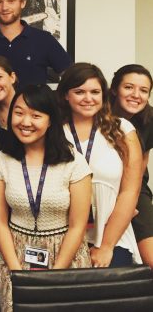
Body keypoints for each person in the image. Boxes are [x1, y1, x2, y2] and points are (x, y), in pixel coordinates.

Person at [0, 84, 92, 312]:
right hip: (15, 252)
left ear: (50, 121)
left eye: (35, 115)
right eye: (18, 113)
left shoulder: (74, 163)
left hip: (65, 254)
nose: (25, 122)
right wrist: (15, 271)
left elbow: (78, 225)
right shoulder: (1, 160)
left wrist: (55, 275)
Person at [57, 62, 143, 266]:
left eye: (95, 91)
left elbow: (130, 192)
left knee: (112, 294)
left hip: (112, 236)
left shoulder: (123, 129)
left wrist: (105, 246)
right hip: (62, 237)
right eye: (79, 92)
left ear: (103, 95)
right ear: (65, 95)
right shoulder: (54, 132)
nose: (88, 98)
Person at [110, 64, 153, 267]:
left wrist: (130, 204)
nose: (136, 95)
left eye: (144, 91)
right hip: (102, 185)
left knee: (151, 258)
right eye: (128, 87)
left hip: (135, 188)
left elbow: (141, 167)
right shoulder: (97, 113)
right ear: (114, 89)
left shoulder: (149, 119)